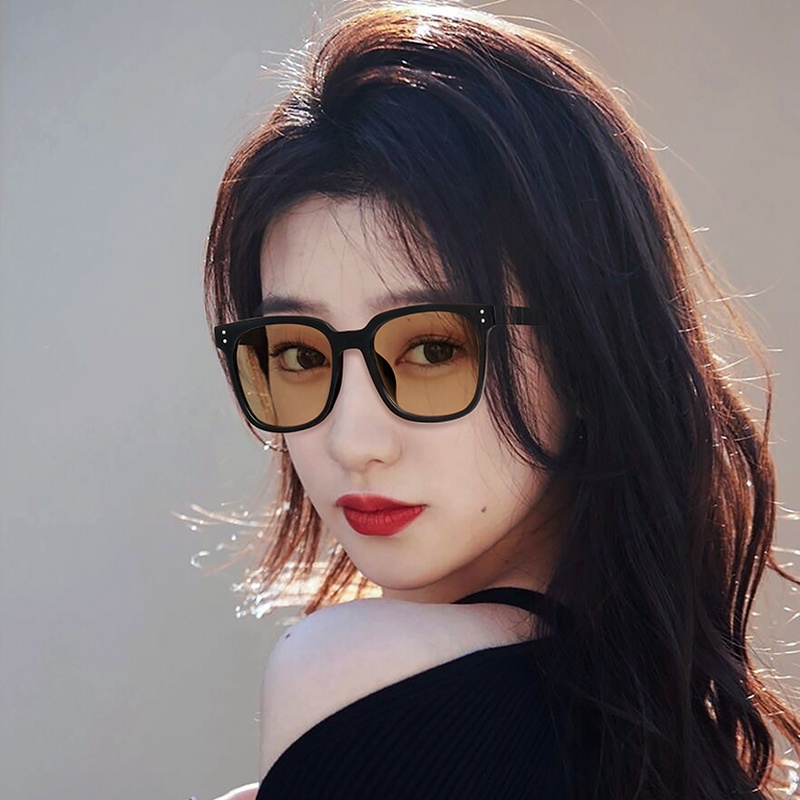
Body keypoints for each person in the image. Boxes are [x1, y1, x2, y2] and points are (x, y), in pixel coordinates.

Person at [203, 2, 800, 798]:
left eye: (432, 349)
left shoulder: (359, 676)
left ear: (586, 353)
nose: (352, 440)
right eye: (301, 355)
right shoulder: (682, 742)